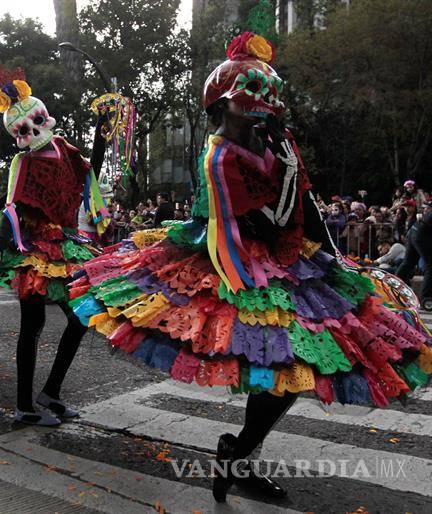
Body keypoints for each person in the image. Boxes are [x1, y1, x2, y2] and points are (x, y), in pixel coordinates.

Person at [67, 31, 431, 502]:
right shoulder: (217, 155)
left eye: (268, 101)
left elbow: (304, 207)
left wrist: (336, 259)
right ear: (220, 107)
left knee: (294, 370)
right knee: (280, 365)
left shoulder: (277, 145)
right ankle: (239, 453)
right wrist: (288, 174)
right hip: (235, 264)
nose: (262, 110)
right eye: (249, 100)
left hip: (291, 262)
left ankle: (239, 452)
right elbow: (261, 220)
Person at [0, 65, 109, 426]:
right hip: (31, 248)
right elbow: (12, 207)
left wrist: (101, 132)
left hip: (64, 246)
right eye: (21, 131)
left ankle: (50, 393)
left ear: (46, 117)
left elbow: (87, 170)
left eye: (35, 122)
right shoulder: (22, 162)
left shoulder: (65, 148)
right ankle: (24, 407)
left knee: (80, 319)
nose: (30, 133)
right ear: (16, 136)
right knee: (32, 324)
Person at [397, 201, 432, 311]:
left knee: (408, 263)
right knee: (431, 266)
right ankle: (426, 298)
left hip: (415, 230)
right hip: (422, 234)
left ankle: (394, 286)